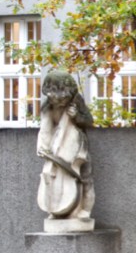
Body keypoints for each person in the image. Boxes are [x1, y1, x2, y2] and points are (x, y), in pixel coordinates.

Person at [36, 70, 95, 222]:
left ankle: (85, 208)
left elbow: (89, 121)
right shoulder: (47, 107)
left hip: (76, 147)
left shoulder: (76, 101)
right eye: (55, 99)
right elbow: (45, 129)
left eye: (63, 99)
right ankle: (55, 208)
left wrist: (77, 116)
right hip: (56, 146)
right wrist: (43, 146)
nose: (59, 102)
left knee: (85, 179)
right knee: (53, 176)